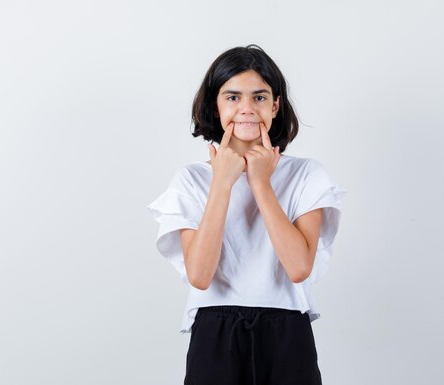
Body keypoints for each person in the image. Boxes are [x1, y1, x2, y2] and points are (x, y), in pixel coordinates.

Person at [146, 44, 346, 385]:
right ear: (215, 104)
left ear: (275, 105)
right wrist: (222, 182)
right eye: (233, 97)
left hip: (286, 331)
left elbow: (299, 268)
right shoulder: (191, 180)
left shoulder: (307, 175)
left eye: (259, 97)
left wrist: (261, 183)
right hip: (215, 331)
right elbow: (200, 275)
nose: (247, 108)